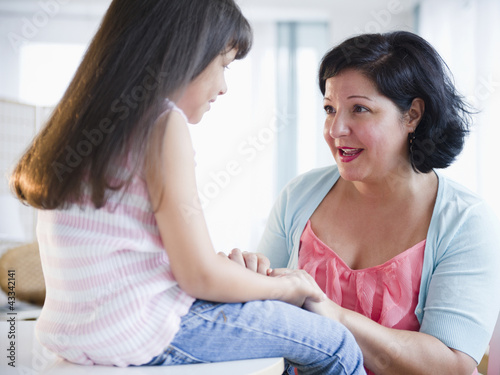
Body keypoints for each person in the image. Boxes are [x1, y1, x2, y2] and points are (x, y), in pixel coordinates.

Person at [10, 0, 367, 373]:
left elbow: (136, 258)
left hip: (78, 335)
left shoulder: (84, 123)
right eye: (223, 66)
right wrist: (289, 287)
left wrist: (237, 276)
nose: (225, 86)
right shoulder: (162, 124)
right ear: (183, 52)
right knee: (336, 343)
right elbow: (198, 277)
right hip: (140, 332)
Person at [230, 31, 500, 375]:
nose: (336, 128)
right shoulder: (299, 196)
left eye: (359, 109)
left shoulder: (467, 222)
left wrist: (331, 314)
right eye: (330, 109)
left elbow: (452, 366)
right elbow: (265, 317)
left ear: (413, 115)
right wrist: (247, 284)